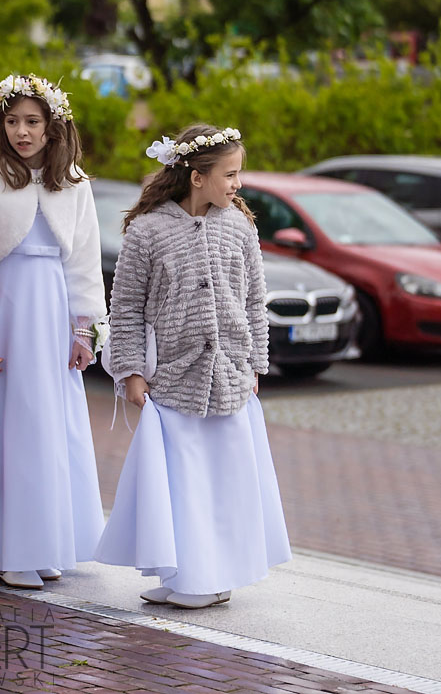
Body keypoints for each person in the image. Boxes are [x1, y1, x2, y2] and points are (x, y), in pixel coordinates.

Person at [95, 124, 291, 608]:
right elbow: (125, 308)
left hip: (229, 380)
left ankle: (210, 578)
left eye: (238, 174)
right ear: (196, 176)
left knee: (221, 484)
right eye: (230, 174)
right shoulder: (147, 232)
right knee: (180, 486)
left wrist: (256, 365)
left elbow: (253, 302)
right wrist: (131, 370)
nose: (237, 184)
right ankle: (185, 572)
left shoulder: (240, 228)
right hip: (174, 380)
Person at [0, 74, 107, 590]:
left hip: (51, 306)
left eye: (32, 122)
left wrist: (84, 330)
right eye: (12, 121)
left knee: (51, 421)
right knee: (11, 421)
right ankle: (7, 550)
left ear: (53, 126)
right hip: (5, 303)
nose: (22, 132)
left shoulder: (72, 179)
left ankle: (45, 542)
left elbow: (84, 257)